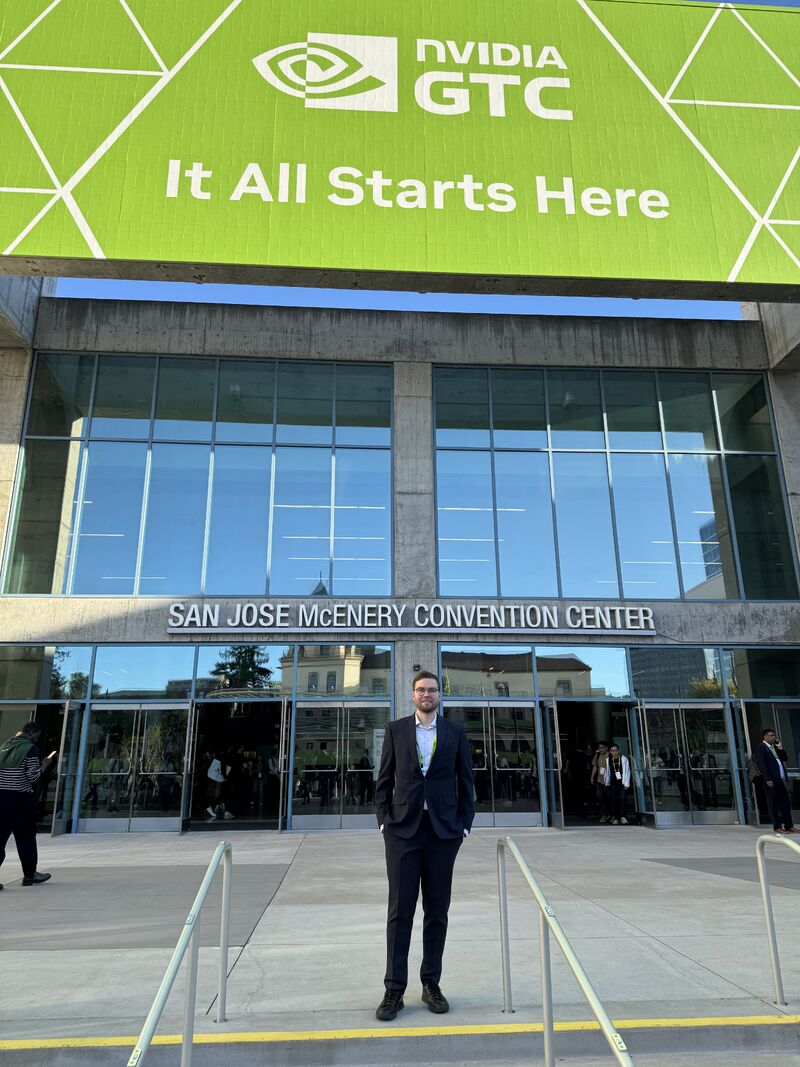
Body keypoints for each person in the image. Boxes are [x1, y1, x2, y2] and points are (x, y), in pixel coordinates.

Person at [374, 670, 474, 1022]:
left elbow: (466, 780)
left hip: (443, 833)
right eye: (421, 690)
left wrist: (464, 825)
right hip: (402, 832)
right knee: (400, 912)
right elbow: (384, 780)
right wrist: (384, 820)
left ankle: (431, 983)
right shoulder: (396, 730)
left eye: (432, 690)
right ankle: (394, 990)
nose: (426, 694)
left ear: (439, 695)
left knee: (437, 913)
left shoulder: (455, 732)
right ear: (412, 694)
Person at [0, 722, 55, 889]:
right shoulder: (30, 749)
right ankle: (30, 875)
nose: (36, 741)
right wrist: (45, 764)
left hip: (1, 798)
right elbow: (32, 777)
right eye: (36, 737)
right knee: (26, 838)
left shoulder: (5, 746)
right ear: (30, 733)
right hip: (20, 799)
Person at [754, 728, 798, 835]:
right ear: (765, 737)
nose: (773, 737)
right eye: (771, 735)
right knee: (773, 804)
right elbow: (762, 765)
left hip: (779, 780)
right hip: (770, 781)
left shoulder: (775, 748)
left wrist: (780, 747)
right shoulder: (761, 748)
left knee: (785, 803)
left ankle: (789, 825)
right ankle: (777, 826)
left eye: (774, 735)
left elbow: (785, 758)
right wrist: (767, 779)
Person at [604, 743, 631, 825]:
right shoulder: (608, 759)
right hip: (613, 783)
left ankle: (623, 817)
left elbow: (627, 771)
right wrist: (606, 782)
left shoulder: (623, 759)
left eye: (616, 750)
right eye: (612, 751)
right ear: (610, 751)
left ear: (618, 751)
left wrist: (626, 783)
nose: (614, 752)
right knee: (614, 800)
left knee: (622, 799)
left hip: (622, 783)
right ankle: (615, 817)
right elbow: (607, 772)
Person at [590, 741, 610, 822]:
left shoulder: (610, 755)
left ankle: (610, 814)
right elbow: (595, 766)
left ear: (606, 748)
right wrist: (592, 777)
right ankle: (604, 815)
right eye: (599, 748)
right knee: (600, 797)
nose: (601, 749)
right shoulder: (597, 755)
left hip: (608, 779)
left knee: (609, 797)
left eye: (602, 747)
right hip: (599, 779)